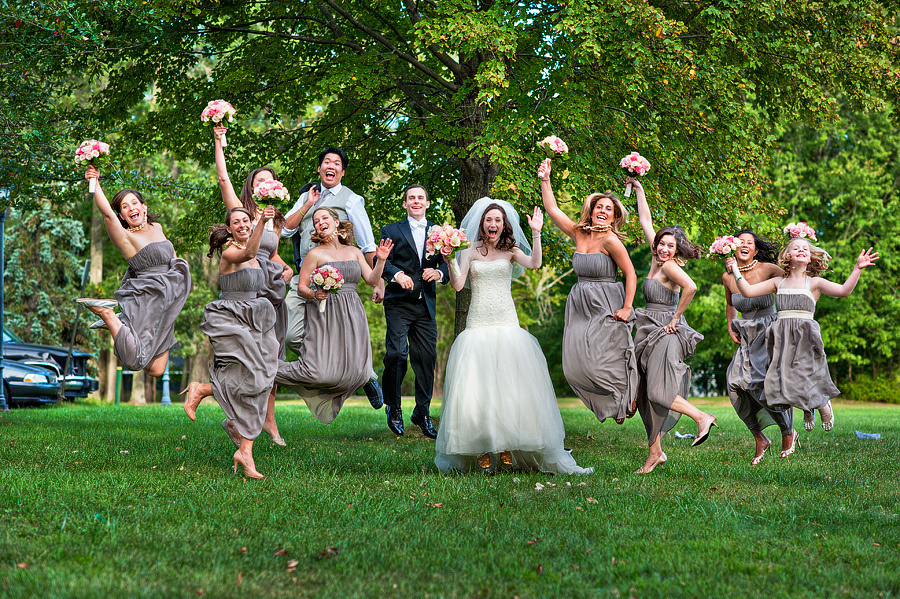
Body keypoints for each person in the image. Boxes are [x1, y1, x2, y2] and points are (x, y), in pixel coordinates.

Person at [434, 198, 593, 475]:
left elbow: (534, 264)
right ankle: (482, 449)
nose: (492, 224)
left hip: (506, 321)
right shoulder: (469, 250)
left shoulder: (511, 251)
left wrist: (536, 232)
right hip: (479, 323)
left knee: (509, 386)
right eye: (488, 220)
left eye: (497, 220)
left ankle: (507, 446)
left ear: (503, 224)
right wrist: (449, 260)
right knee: (478, 388)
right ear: (482, 225)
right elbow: (459, 286)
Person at [727, 236, 878, 434]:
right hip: (781, 338)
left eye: (805, 249)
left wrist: (857, 268)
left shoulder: (814, 283)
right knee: (784, 380)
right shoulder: (777, 282)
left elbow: (843, 291)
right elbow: (746, 291)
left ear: (810, 258)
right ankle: (807, 408)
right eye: (796, 248)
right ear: (788, 256)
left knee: (806, 374)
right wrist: (736, 269)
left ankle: (821, 404)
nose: (801, 250)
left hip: (805, 336)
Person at [280, 147, 384, 407]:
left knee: (341, 332)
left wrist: (379, 279)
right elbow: (284, 231)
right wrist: (307, 205)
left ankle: (365, 374)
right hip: (303, 279)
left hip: (336, 284)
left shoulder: (352, 200)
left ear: (342, 171)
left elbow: (368, 244)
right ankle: (322, 364)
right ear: (319, 168)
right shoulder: (308, 196)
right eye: (326, 161)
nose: (331, 165)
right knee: (291, 336)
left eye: (336, 163)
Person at [537, 158, 637, 424]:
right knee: (573, 366)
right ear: (591, 210)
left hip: (605, 302)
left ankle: (625, 395)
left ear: (615, 216)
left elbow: (630, 273)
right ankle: (617, 398)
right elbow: (552, 209)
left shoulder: (611, 240)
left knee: (603, 359)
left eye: (609, 209)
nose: (603, 211)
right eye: (599, 206)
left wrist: (627, 307)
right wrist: (546, 179)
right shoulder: (579, 232)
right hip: (580, 304)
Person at [183, 206, 280, 479]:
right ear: (229, 228)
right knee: (258, 378)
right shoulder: (230, 253)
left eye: (245, 220)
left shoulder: (257, 257)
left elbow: (261, 257)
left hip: (256, 317)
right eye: (236, 222)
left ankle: (243, 447)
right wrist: (262, 220)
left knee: (264, 379)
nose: (242, 224)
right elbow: (248, 252)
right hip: (232, 318)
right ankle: (203, 390)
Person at [275, 208, 394, 422]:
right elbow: (301, 287)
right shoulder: (315, 254)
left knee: (357, 369)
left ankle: (366, 380)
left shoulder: (355, 251)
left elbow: (371, 279)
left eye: (325, 218)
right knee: (318, 372)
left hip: (352, 311)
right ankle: (264, 367)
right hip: (324, 312)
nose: (320, 222)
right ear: (316, 230)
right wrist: (314, 293)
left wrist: (382, 261)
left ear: (337, 222)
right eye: (316, 221)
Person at [212, 123, 290, 445]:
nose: (265, 183)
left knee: (268, 361)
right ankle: (232, 414)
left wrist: (285, 272)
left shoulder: (274, 218)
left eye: (270, 180)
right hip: (241, 293)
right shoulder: (241, 215)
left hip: (267, 294)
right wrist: (219, 140)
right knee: (244, 362)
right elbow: (223, 178)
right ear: (252, 186)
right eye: (260, 180)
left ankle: (266, 421)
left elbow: (275, 255)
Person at [632, 178, 717, 474]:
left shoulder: (669, 267)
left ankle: (701, 417)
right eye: (662, 243)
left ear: (677, 249)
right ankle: (655, 453)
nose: (665, 248)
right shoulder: (656, 259)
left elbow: (691, 288)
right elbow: (645, 220)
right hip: (649, 330)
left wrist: (676, 317)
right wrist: (640, 191)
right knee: (645, 394)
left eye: (671, 245)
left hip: (666, 333)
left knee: (657, 392)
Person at [78, 166, 191, 377]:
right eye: (124, 207)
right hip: (147, 299)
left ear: (144, 207)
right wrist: (95, 182)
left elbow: (171, 254)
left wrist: (178, 276)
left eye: (134, 203)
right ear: (121, 215)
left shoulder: (157, 227)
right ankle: (109, 316)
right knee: (135, 361)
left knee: (156, 370)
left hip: (167, 299)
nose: (131, 208)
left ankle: (123, 323)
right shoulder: (125, 237)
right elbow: (107, 215)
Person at [378, 185, 449, 438]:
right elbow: (382, 262)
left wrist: (439, 272)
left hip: (425, 305)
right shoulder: (391, 230)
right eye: (411, 198)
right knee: (397, 354)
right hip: (398, 303)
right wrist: (397, 274)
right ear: (405, 203)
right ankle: (393, 407)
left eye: (421, 198)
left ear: (427, 203)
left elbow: (450, 263)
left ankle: (422, 412)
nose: (416, 202)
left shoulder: (440, 232)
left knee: (426, 360)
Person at [722, 230, 797, 463]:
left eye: (749, 243)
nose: (744, 245)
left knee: (761, 384)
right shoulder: (727, 276)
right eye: (740, 242)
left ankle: (788, 432)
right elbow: (729, 304)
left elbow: (795, 279)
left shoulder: (768, 269)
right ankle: (759, 437)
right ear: (733, 248)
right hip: (746, 333)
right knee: (733, 384)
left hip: (769, 331)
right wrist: (730, 325)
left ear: (755, 250)